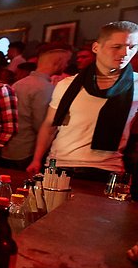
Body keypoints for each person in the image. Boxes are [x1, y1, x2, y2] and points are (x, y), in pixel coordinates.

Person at [27, 21, 138, 180]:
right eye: (117, 46)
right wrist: (36, 159)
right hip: (60, 165)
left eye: (132, 47)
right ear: (96, 48)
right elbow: (50, 125)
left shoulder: (136, 84)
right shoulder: (68, 84)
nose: (125, 53)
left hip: (107, 169)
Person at [0, 43, 71, 170]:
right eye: (67, 61)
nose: (66, 65)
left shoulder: (18, 84)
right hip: (27, 153)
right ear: (59, 62)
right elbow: (43, 126)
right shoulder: (44, 88)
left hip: (9, 149)